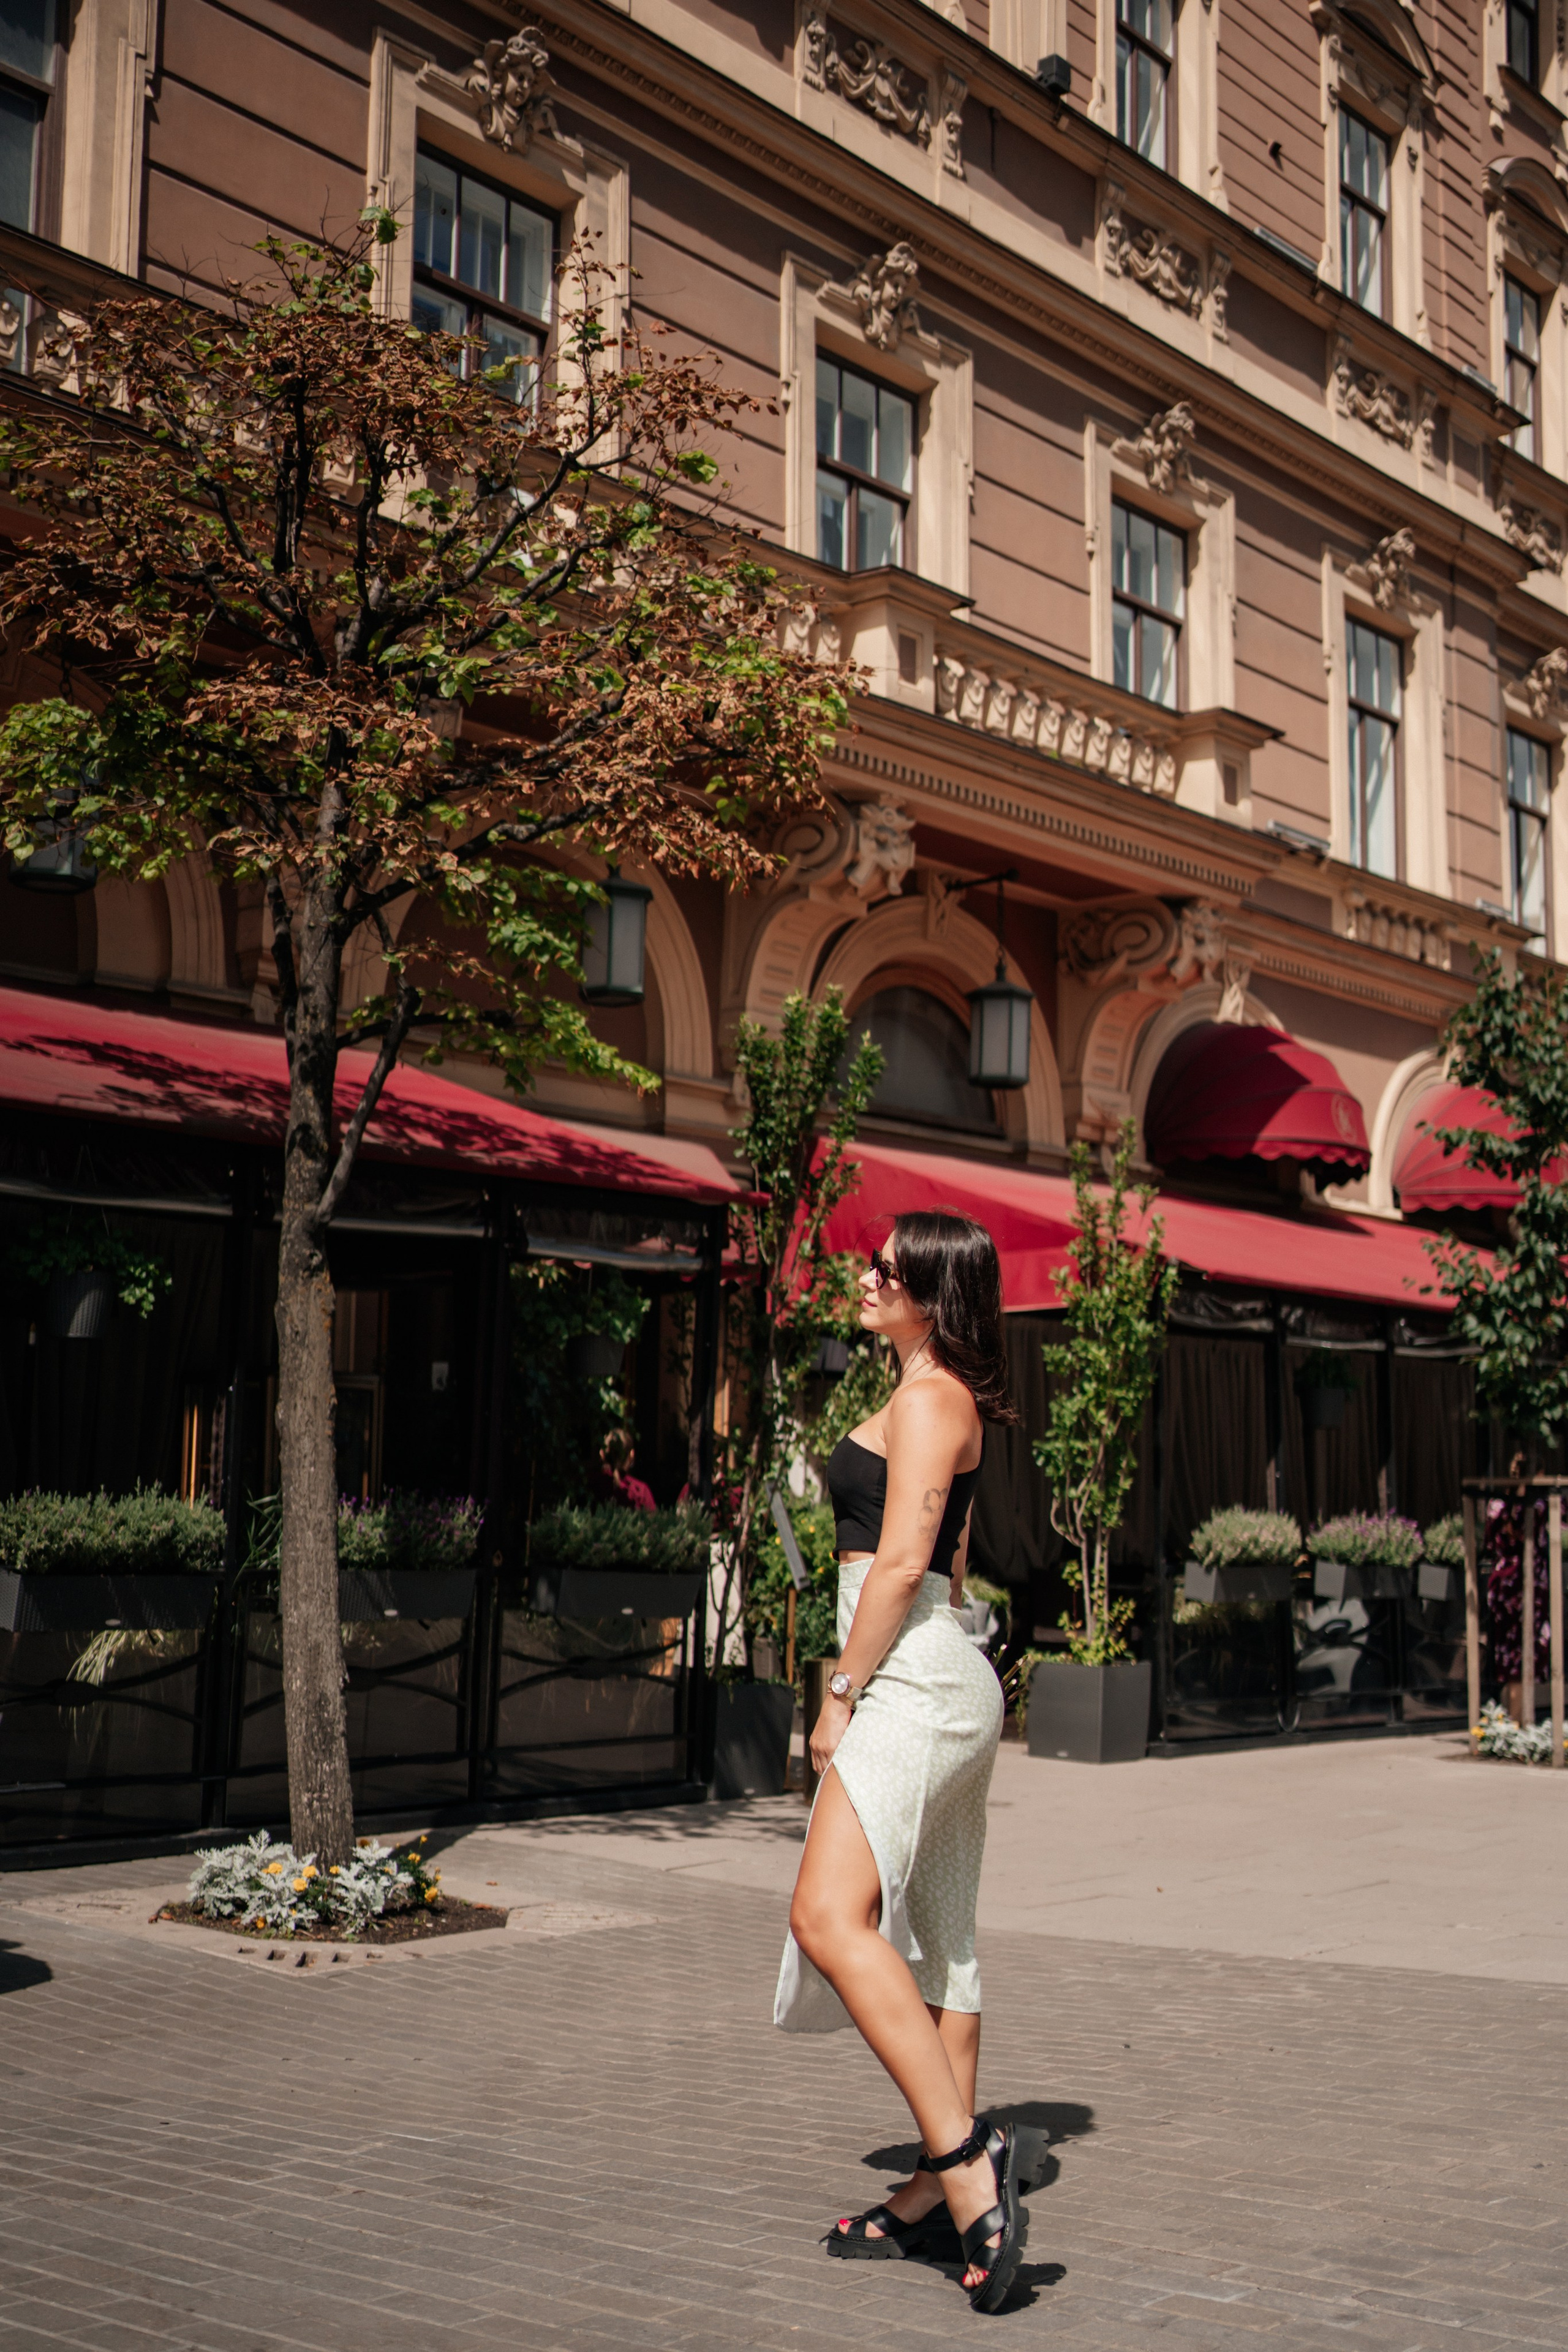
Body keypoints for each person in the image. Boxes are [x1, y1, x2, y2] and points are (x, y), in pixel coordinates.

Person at [774, 1210, 1025, 2315]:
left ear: (935, 1291)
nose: (869, 1276)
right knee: (947, 1948)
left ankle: (968, 2164)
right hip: (938, 1669)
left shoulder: (931, 1399)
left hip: (910, 1679)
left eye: (892, 1269)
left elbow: (907, 1562)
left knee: (828, 1918)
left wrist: (838, 1698)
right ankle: (937, 2192)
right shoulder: (926, 1394)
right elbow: (953, 1563)